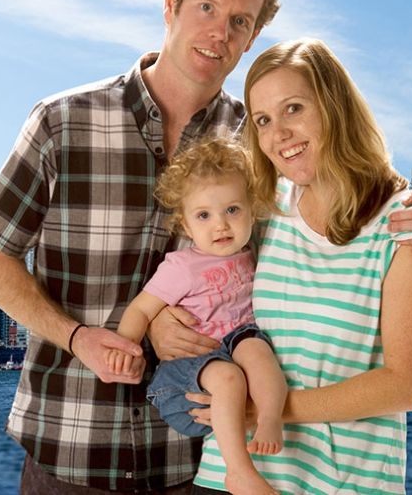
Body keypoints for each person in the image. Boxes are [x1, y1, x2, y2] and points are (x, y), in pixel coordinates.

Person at [0, 0, 412, 494]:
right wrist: (80, 335)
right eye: (207, 7)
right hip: (73, 443)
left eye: (240, 22)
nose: (219, 32)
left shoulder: (256, 142)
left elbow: (348, 194)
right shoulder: (63, 122)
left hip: (194, 456)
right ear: (170, 5)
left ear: (253, 36)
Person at [190, 38, 412, 494]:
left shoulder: (405, 233)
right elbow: (192, 269)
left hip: (340, 483)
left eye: (293, 109)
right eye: (264, 121)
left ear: (335, 107)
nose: (279, 134)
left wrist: (266, 411)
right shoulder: (264, 212)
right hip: (231, 478)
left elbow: (406, 386)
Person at [107, 135, 284, 495]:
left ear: (252, 210)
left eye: (232, 210)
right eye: (204, 215)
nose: (220, 225)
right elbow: (142, 308)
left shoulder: (251, 251)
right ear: (186, 226)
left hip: (236, 342)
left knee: (260, 354)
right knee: (231, 378)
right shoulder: (182, 266)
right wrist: (125, 348)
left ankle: (270, 419)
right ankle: (239, 472)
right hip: (189, 368)